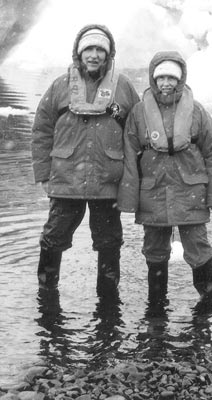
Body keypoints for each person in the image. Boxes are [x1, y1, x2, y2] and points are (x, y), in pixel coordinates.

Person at [32, 24, 140, 295]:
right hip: (66, 178)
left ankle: (108, 299)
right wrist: (43, 174)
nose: (93, 55)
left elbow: (134, 129)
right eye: (88, 49)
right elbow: (42, 130)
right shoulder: (60, 86)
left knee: (109, 242)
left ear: (108, 55)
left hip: (108, 180)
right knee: (53, 238)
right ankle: (47, 294)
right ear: (78, 54)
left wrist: (133, 179)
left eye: (99, 50)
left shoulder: (122, 87)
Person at [117, 51, 212, 305]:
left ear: (180, 80)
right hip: (152, 192)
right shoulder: (138, 113)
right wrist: (128, 199)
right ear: (153, 80)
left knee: (198, 247)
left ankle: (207, 304)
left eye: (171, 78)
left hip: (190, 192)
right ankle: (157, 307)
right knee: (154, 250)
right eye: (161, 78)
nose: (166, 83)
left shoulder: (197, 111)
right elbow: (129, 157)